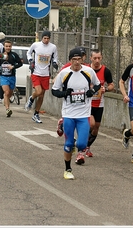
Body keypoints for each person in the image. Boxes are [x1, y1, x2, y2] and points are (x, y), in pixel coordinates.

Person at [51, 47, 101, 180]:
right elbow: (54, 90)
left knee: (81, 145)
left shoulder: (89, 72)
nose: (77, 62)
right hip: (69, 113)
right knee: (68, 144)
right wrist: (64, 93)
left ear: (82, 59)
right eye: (74, 59)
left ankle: (73, 141)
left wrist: (92, 92)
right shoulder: (64, 73)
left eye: (79, 59)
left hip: (83, 114)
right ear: (70, 60)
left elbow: (98, 84)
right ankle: (67, 169)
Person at [84, 50, 114, 157]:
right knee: (91, 124)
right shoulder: (86, 70)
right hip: (87, 103)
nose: (97, 60)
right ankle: (83, 144)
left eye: (99, 58)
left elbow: (111, 85)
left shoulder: (105, 71)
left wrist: (106, 88)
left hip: (99, 103)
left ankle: (87, 146)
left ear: (101, 58)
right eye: (95, 58)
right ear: (90, 58)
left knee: (96, 127)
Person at [24, 30, 59, 123]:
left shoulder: (53, 47)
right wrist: (31, 61)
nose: (46, 40)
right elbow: (28, 53)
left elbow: (55, 57)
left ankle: (36, 114)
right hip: (36, 72)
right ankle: (31, 99)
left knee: (42, 95)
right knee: (38, 92)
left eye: (48, 38)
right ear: (42, 38)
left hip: (45, 74)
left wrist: (55, 63)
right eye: (44, 38)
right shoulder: (36, 45)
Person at [0, 40, 22, 117]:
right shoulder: (1, 55)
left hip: (12, 77)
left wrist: (13, 67)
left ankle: (6, 102)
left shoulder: (14, 55)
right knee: (6, 92)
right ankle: (7, 109)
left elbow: (20, 63)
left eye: (9, 46)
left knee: (10, 93)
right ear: (4, 47)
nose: (8, 48)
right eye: (6, 46)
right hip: (3, 77)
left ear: (11, 47)